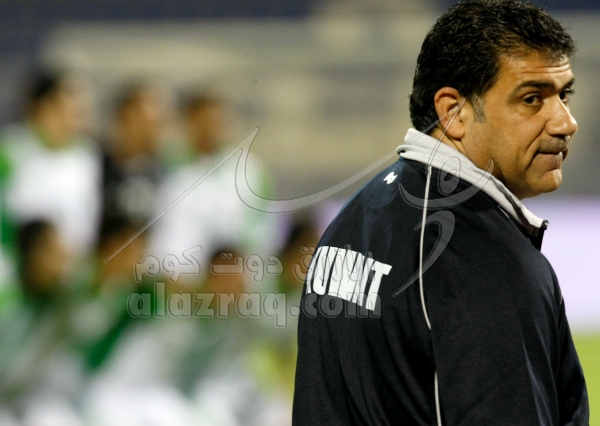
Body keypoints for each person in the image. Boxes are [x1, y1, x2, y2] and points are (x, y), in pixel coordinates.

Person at [292, 1, 589, 425]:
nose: (565, 122)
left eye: (563, 95)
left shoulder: (353, 220)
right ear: (453, 113)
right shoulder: (487, 263)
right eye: (531, 99)